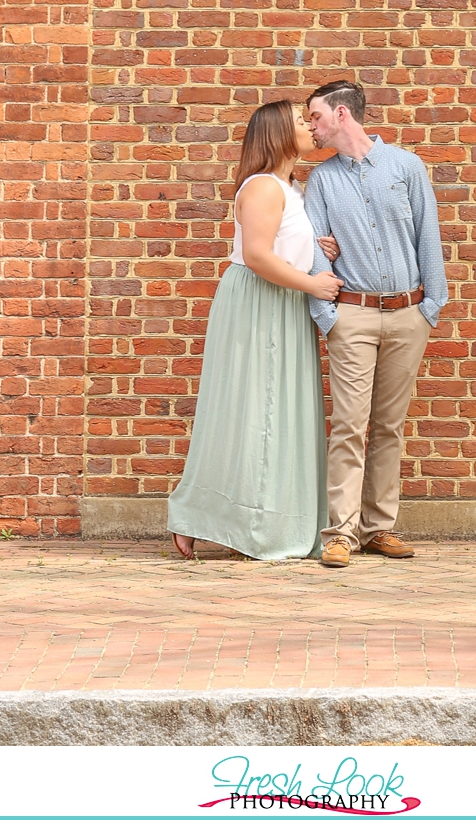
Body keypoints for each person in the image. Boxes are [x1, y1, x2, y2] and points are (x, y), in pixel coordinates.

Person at [167, 99, 342, 561]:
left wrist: (314, 247)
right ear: (279, 133)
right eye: (301, 122)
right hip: (262, 302)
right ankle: (220, 519)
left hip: (280, 302)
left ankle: (258, 519)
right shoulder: (265, 186)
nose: (310, 127)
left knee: (273, 413)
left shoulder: (288, 187)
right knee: (258, 412)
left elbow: (280, 244)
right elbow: (260, 256)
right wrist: (314, 283)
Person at [303, 79, 448, 568]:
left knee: (389, 426)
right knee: (349, 424)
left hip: (409, 314)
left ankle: (379, 528)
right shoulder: (321, 181)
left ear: (342, 115)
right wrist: (330, 317)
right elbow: (311, 252)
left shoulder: (406, 167)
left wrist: (431, 307)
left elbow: (428, 235)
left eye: (316, 117)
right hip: (354, 316)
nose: (311, 127)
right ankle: (340, 533)